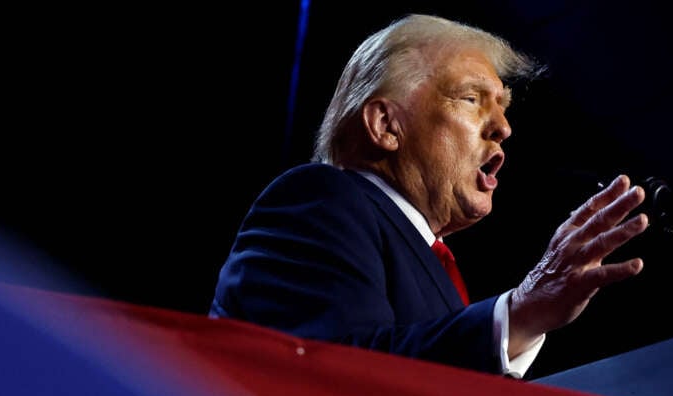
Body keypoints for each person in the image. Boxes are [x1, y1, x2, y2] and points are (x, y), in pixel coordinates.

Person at [209, 13, 649, 377]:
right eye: (472, 98)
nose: (503, 128)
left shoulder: (431, 262)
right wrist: (520, 314)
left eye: (503, 107)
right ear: (385, 125)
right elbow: (338, 372)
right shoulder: (317, 200)